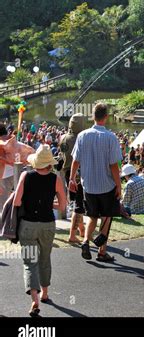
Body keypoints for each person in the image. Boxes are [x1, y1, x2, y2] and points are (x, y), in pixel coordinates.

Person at [13, 145, 67, 317]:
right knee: (45, 258)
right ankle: (45, 292)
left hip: (28, 224)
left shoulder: (26, 175)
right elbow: (63, 205)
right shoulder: (55, 179)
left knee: (30, 262)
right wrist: (49, 204)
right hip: (47, 224)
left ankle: (34, 299)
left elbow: (16, 201)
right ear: (49, 164)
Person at [69, 103, 122, 262]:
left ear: (93, 116)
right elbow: (114, 165)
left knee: (92, 216)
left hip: (88, 185)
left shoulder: (82, 135)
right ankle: (102, 250)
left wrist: (72, 178)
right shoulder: (111, 137)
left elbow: (75, 160)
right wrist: (119, 185)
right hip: (106, 185)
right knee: (107, 216)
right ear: (106, 117)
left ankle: (86, 240)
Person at [58, 113, 88, 243]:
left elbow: (61, 154)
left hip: (67, 173)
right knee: (79, 204)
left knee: (76, 201)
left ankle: (82, 230)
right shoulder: (82, 138)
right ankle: (72, 234)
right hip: (79, 173)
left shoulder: (63, 137)